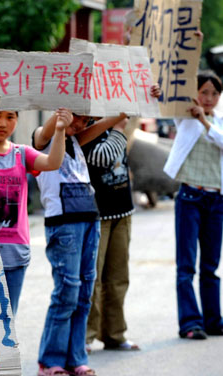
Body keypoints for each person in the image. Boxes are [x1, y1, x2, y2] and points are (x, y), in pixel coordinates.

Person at [33, 111, 131, 376]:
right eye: (78, 117)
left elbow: (103, 123)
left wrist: (128, 107)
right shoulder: (44, 137)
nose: (80, 124)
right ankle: (50, 360)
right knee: (66, 292)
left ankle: (76, 358)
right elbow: (47, 132)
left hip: (91, 221)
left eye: (86, 121)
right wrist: (61, 119)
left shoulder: (78, 139)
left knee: (84, 294)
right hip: (64, 225)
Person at [0, 108, 72, 316]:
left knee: (6, 319)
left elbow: (52, 162)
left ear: (17, 120)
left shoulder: (22, 154)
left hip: (14, 253)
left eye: (10, 117)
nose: (2, 123)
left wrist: (59, 131)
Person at [83, 84, 161, 353]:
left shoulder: (121, 120)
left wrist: (148, 93)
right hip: (96, 213)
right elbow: (102, 158)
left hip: (123, 210)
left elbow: (141, 108)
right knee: (93, 278)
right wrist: (118, 127)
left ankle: (115, 334)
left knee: (118, 277)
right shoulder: (86, 128)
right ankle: (87, 336)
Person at [164, 70, 223, 340]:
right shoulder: (185, 117)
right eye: (204, 92)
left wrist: (205, 120)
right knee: (186, 264)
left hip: (217, 199)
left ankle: (213, 320)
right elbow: (172, 91)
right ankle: (190, 322)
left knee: (210, 265)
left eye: (214, 93)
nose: (209, 98)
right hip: (190, 196)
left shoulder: (219, 121)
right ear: (195, 93)